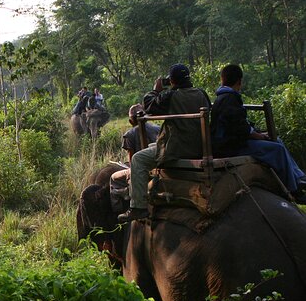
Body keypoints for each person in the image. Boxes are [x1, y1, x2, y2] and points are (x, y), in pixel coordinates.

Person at [118, 63, 212, 221]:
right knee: (151, 147)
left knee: (138, 159)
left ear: (173, 81)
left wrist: (156, 89)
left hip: (177, 148)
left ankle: (138, 207)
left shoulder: (171, 96)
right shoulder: (201, 93)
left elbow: (148, 105)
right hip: (200, 146)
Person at [210, 64, 306, 203]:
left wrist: (258, 133)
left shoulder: (224, 97)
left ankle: (298, 177)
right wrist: (258, 135)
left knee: (277, 140)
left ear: (222, 79)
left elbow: (240, 124)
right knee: (276, 149)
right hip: (230, 147)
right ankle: (293, 190)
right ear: (239, 81)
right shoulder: (229, 99)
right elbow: (240, 128)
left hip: (232, 141)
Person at [109, 104, 161, 213]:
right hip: (158, 165)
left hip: (142, 168)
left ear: (130, 121)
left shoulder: (129, 135)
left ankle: (118, 211)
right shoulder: (158, 128)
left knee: (113, 178)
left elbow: (132, 161)